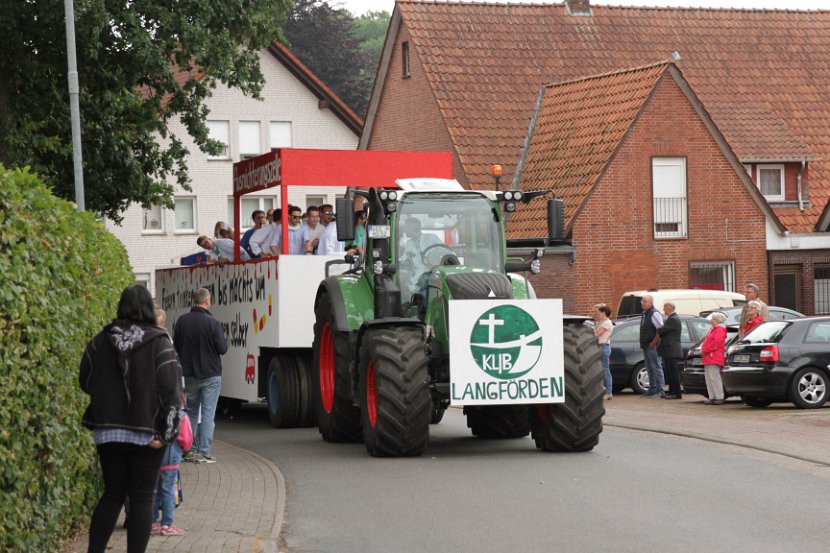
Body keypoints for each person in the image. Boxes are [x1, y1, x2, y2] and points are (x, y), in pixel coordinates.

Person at [80, 285, 183, 553]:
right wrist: (166, 436)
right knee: (141, 498)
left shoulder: (101, 340)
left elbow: (85, 380)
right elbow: (171, 391)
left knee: (113, 494)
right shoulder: (160, 342)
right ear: (149, 309)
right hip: (146, 432)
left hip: (107, 432)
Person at [174, 288, 228, 464]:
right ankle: (203, 451)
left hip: (189, 374)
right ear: (207, 301)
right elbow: (223, 349)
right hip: (211, 375)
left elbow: (176, 347)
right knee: (207, 413)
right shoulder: (213, 323)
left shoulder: (182, 322)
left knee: (190, 411)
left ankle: (188, 450)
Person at [399, 217, 443, 298]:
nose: (404, 231)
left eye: (406, 228)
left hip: (432, 274)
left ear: (414, 228)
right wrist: (406, 262)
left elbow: (445, 253)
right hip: (416, 278)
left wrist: (436, 262)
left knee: (426, 280)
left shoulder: (431, 238)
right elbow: (404, 260)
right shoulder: (408, 243)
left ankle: (426, 310)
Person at [639, 294, 665, 398]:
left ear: (650, 303)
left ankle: (660, 390)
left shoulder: (654, 313)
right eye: (642, 301)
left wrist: (654, 342)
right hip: (646, 345)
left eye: (644, 301)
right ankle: (652, 388)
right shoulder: (645, 313)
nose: (642, 303)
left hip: (652, 346)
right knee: (649, 368)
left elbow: (660, 330)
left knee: (656, 367)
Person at [657, 301, 683, 400]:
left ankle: (676, 393)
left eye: (664, 308)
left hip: (672, 350)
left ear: (669, 308)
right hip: (669, 350)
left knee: (673, 372)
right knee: (670, 372)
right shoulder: (671, 318)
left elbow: (662, 330)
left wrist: (659, 329)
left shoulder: (673, 319)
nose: (663, 310)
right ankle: (672, 392)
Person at [701, 311, 728, 405]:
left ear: (717, 320)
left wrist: (705, 350)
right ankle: (712, 396)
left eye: (713, 319)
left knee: (714, 377)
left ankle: (719, 396)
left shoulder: (719, 329)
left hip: (713, 356)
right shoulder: (713, 329)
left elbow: (716, 343)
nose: (711, 320)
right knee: (709, 378)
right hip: (709, 356)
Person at [592, 304, 613, 400]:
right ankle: (605, 390)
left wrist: (591, 330)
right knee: (602, 370)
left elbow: (597, 334)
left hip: (604, 347)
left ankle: (609, 392)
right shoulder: (602, 322)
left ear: (603, 313)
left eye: (599, 313)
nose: (598, 314)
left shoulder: (606, 323)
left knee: (605, 370)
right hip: (601, 347)